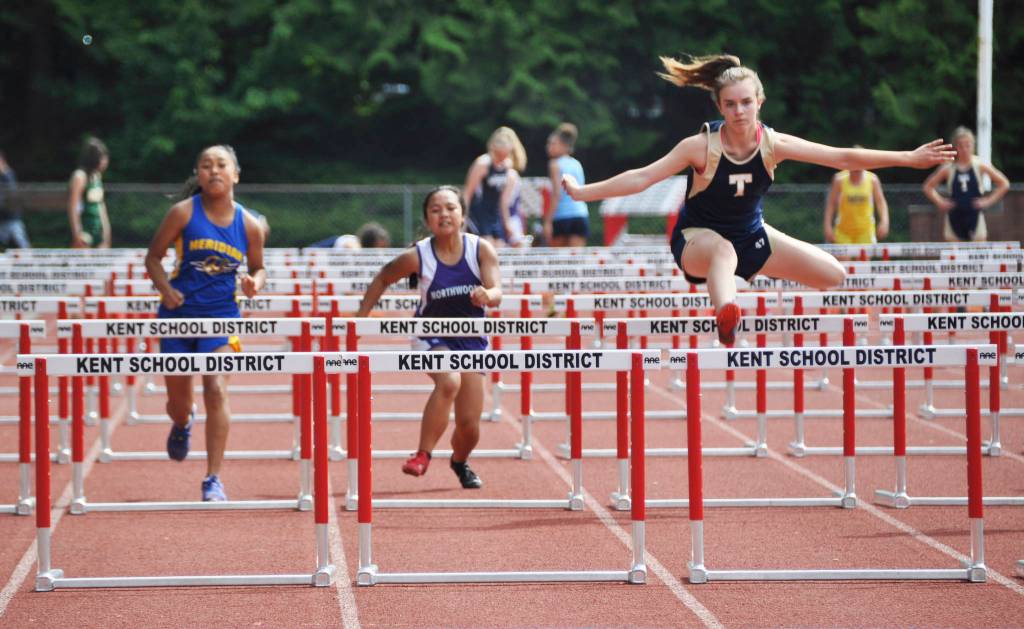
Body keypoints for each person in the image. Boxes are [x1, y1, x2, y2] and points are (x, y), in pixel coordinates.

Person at [562, 54, 956, 345]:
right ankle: (726, 319)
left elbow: (841, 157)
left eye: (746, 103)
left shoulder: (773, 145)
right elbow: (641, 178)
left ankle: (749, 276)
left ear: (759, 103)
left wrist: (908, 158)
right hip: (697, 240)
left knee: (833, 274)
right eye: (730, 104)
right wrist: (583, 193)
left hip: (750, 233)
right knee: (723, 253)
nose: (738, 111)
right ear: (719, 106)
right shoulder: (700, 147)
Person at [356, 186, 502, 488]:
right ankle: (423, 454)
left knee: (469, 428)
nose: (444, 214)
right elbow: (383, 277)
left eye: (450, 208)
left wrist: (487, 294)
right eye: (436, 210)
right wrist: (361, 320)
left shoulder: (480, 249)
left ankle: (459, 461)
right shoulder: (419, 256)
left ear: (462, 214)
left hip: (473, 340)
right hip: (431, 335)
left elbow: (497, 292)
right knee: (449, 381)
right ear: (427, 219)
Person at [144, 145, 266, 501]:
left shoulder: (249, 224)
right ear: (198, 174)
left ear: (235, 174)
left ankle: (213, 478)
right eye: (206, 165)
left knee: (216, 388)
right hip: (178, 319)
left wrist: (253, 283)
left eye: (221, 165)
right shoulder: (182, 214)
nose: (213, 171)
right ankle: (183, 422)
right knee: (178, 403)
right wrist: (165, 290)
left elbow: (258, 267)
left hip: (222, 318)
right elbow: (153, 258)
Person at [922, 126, 1010, 243]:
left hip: (975, 215)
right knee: (953, 256)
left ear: (973, 145)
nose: (964, 149)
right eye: (960, 145)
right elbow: (927, 187)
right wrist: (940, 202)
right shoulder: (948, 168)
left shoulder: (980, 165)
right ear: (955, 147)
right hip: (954, 215)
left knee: (979, 255)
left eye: (967, 145)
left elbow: (1004, 183)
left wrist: (988, 201)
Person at [462, 127, 526, 247]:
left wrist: (507, 223)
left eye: (506, 154)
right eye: (499, 155)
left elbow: (504, 200)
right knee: (487, 246)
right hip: (479, 212)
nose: (502, 158)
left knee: (500, 247)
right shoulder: (483, 164)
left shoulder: (507, 166)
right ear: (493, 149)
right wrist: (462, 218)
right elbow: (468, 193)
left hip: (495, 214)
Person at [823, 155, 890, 245]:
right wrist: (827, 226)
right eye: (855, 165)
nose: (857, 170)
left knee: (863, 258)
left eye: (861, 164)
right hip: (844, 230)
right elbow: (831, 204)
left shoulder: (872, 179)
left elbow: (881, 202)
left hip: (865, 230)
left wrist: (884, 222)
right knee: (843, 259)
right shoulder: (839, 179)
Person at [544, 123, 590, 247]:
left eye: (553, 144)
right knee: (576, 261)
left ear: (564, 146)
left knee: (558, 263)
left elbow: (556, 194)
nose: (548, 147)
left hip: (561, 216)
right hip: (580, 214)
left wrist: (547, 221)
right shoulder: (577, 164)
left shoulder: (554, 164)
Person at [66, 137, 111, 248]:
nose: (105, 161)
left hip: (97, 229)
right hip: (84, 229)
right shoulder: (79, 176)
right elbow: (73, 207)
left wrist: (107, 233)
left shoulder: (97, 176)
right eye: (102, 158)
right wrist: (77, 234)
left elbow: (101, 206)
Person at [0, 151, 30, 249]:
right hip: (8, 220)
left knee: (21, 242)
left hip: (10, 219)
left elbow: (9, 198)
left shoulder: (8, 176)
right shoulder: (8, 175)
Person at [308, 222, 391, 249]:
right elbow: (351, 246)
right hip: (324, 248)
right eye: (381, 247)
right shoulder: (353, 243)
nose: (382, 250)